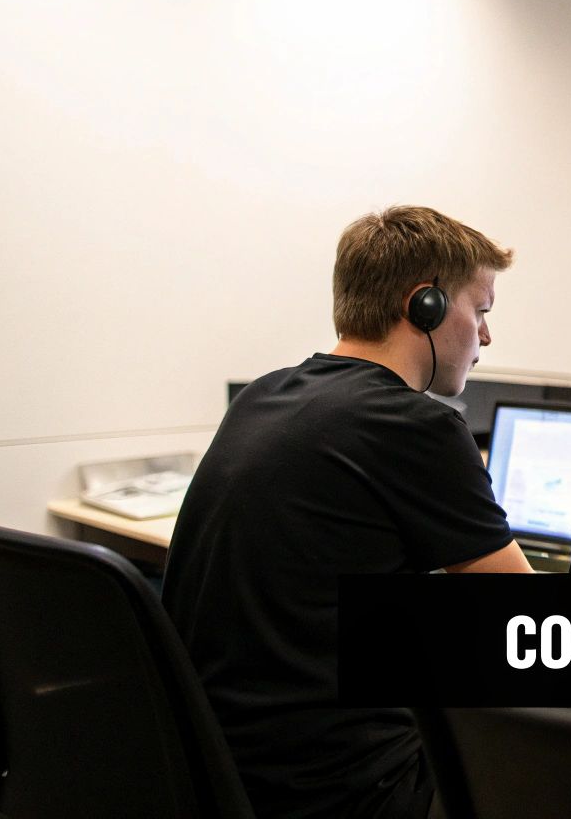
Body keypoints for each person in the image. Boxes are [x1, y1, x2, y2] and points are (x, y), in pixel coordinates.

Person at [163, 206, 532, 819]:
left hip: (221, 773)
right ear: (427, 307)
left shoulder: (266, 393)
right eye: (482, 309)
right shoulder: (416, 425)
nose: (486, 336)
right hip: (349, 791)